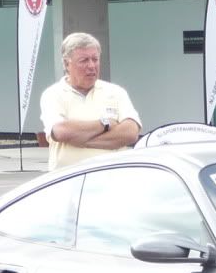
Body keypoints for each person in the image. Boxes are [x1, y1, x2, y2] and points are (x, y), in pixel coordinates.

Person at [40, 32, 142, 170]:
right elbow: (60, 131)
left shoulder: (116, 92)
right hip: (68, 180)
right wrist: (105, 124)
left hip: (112, 178)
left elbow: (130, 132)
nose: (92, 66)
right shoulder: (53, 94)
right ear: (66, 64)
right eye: (84, 60)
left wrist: (82, 140)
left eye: (95, 59)